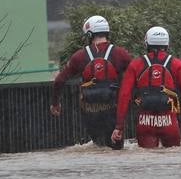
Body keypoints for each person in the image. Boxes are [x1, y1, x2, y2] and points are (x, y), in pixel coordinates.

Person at [111, 26, 181, 148]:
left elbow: (124, 95)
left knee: (147, 161)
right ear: (167, 43)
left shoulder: (136, 64)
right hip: (170, 123)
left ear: (147, 42)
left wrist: (119, 127)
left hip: (144, 123)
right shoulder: (177, 64)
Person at [50, 15, 133, 148]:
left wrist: (55, 103)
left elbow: (59, 81)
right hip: (113, 112)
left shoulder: (79, 56)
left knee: (94, 148)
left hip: (89, 112)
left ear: (89, 34)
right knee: (116, 150)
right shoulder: (120, 54)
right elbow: (137, 77)